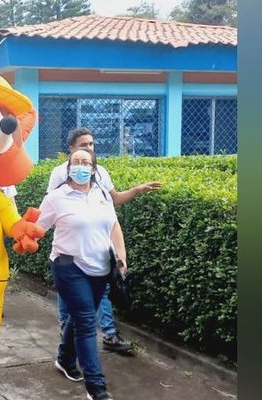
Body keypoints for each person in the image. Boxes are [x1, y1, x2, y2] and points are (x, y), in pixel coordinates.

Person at [46, 127, 161, 371]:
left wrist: (137, 191)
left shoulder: (101, 173)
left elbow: (114, 201)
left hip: (98, 255)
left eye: (91, 145)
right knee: (76, 312)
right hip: (70, 256)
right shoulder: (59, 174)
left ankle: (101, 337)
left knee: (85, 311)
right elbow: (52, 209)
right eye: (83, 145)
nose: (89, 148)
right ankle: (89, 376)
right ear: (71, 150)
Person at [36, 148, 126, 400]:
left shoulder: (101, 196)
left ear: (94, 169)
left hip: (101, 268)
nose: (81, 166)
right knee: (87, 322)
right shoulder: (57, 197)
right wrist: (22, 233)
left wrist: (121, 257)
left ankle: (65, 359)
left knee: (79, 317)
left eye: (86, 162)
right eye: (76, 162)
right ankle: (96, 387)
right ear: (68, 168)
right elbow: (37, 228)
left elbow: (114, 226)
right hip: (69, 266)